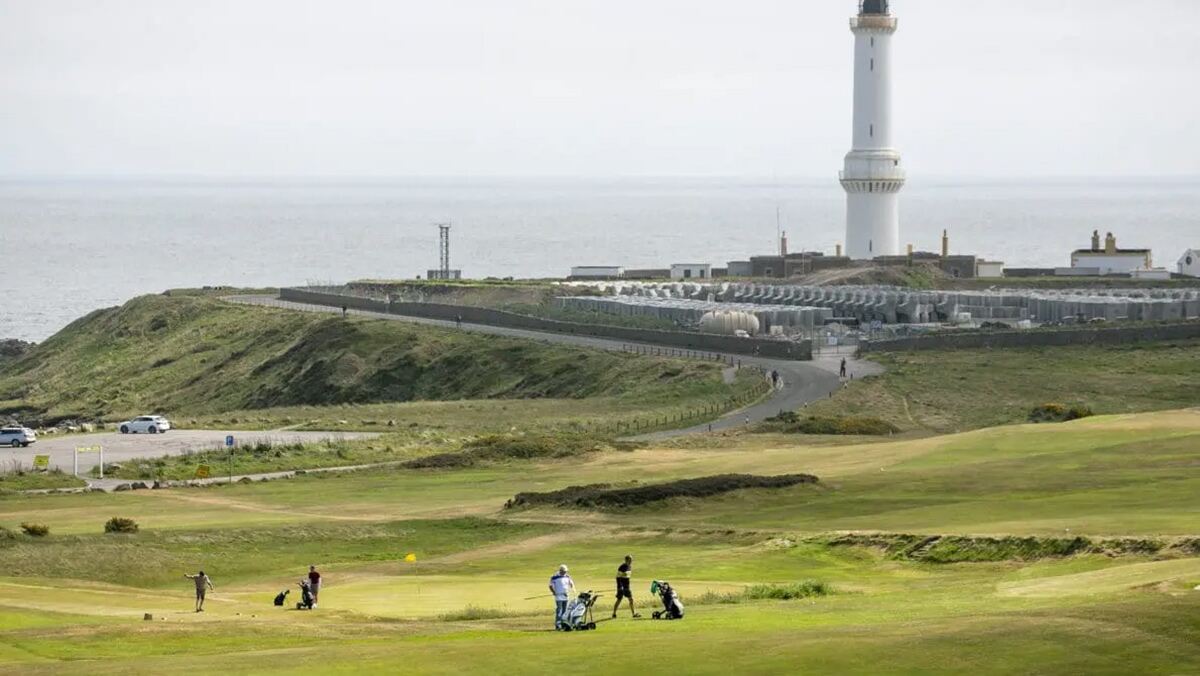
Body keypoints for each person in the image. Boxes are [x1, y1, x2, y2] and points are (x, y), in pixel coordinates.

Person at [549, 564, 575, 630]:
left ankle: (563, 624)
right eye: (564, 571)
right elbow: (550, 586)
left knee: (565, 611)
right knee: (559, 610)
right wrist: (554, 592)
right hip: (558, 596)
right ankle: (558, 625)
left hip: (566, 596)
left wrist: (572, 589)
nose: (565, 572)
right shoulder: (554, 577)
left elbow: (571, 584)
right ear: (560, 570)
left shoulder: (567, 576)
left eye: (565, 571)